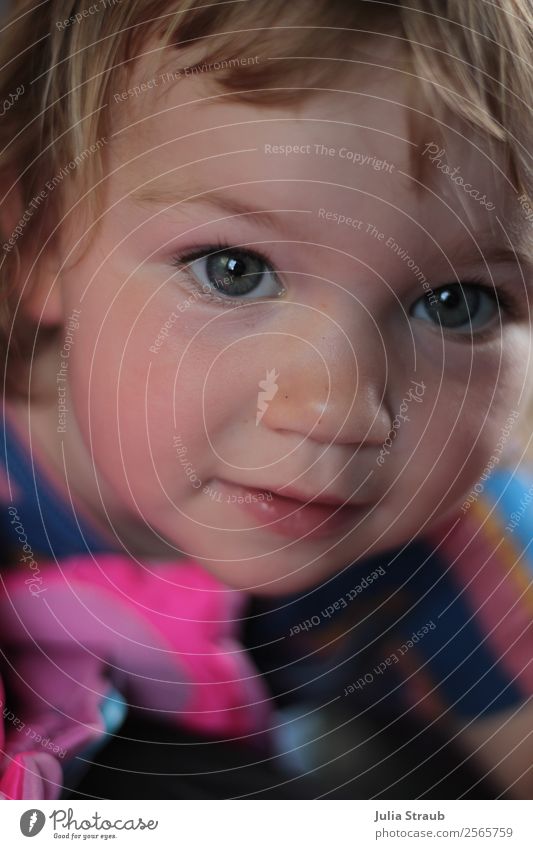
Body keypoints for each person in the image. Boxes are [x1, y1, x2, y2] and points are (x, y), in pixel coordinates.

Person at [0, 0, 532, 799]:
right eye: (233, 269)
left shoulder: (470, 555)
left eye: (459, 303)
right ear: (42, 248)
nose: (338, 410)